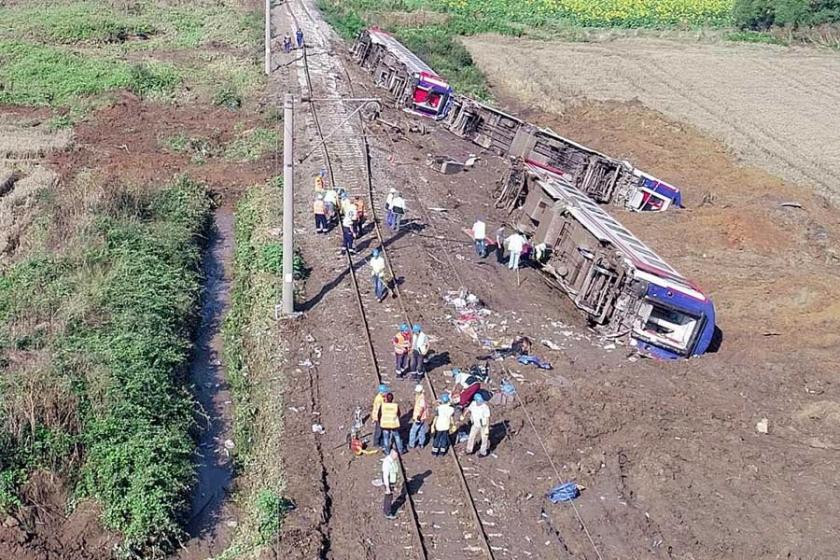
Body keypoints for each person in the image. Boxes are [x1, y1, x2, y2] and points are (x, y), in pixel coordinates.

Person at [462, 393, 491, 457]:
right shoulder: (473, 404)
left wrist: (486, 427)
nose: (480, 402)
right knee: (471, 436)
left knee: (484, 439)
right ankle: (469, 450)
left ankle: (483, 452)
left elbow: (487, 418)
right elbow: (468, 409)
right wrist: (463, 415)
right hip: (475, 424)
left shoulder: (485, 407)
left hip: (483, 424)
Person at [409, 384, 429, 449]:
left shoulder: (421, 398)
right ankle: (421, 443)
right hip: (422, 417)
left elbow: (421, 409)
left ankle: (411, 444)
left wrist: (418, 417)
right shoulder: (420, 396)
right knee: (421, 430)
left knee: (413, 431)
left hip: (419, 417)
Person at [382, 448, 400, 519]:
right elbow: (385, 475)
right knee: (388, 497)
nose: (397, 457)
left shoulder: (393, 460)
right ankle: (387, 513)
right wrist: (387, 487)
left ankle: (387, 510)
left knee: (390, 496)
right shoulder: (387, 462)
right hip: (388, 482)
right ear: (392, 454)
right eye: (396, 455)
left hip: (392, 481)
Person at [371, 383, 389, 449]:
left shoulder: (382, 397)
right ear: (381, 392)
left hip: (381, 417)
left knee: (381, 429)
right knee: (378, 430)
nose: (386, 393)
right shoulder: (378, 399)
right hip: (378, 417)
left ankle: (380, 441)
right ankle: (376, 443)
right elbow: (378, 411)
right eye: (385, 392)